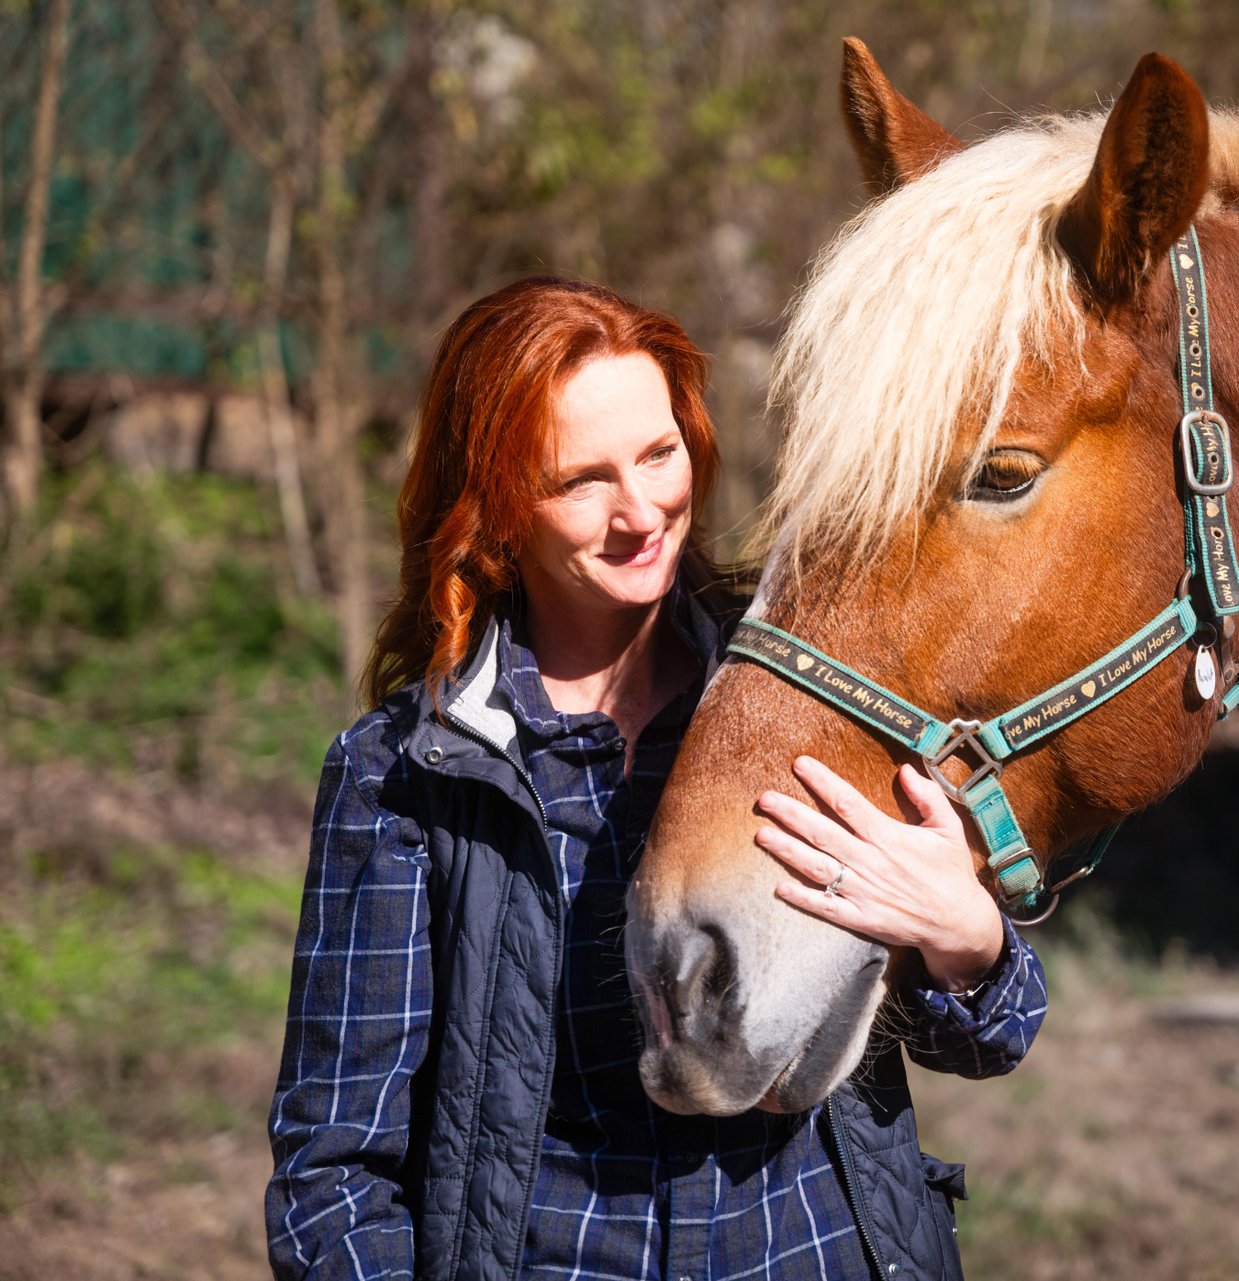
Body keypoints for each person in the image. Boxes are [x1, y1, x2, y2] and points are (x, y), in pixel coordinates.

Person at [265, 276, 1047, 1281]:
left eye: (658, 453)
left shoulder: (805, 694)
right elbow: (333, 1175)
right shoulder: (407, 776)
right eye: (580, 480)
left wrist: (970, 943)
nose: (642, 511)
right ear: (498, 505)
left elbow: (994, 1040)